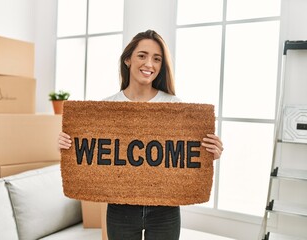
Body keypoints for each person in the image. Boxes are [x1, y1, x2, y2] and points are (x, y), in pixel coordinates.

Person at [58, 29, 224, 240]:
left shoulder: (175, 106)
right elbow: (90, 150)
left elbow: (185, 153)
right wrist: (66, 146)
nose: (149, 64)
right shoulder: (107, 107)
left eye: (157, 59)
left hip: (166, 208)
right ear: (128, 59)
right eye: (142, 55)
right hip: (120, 209)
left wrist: (210, 153)